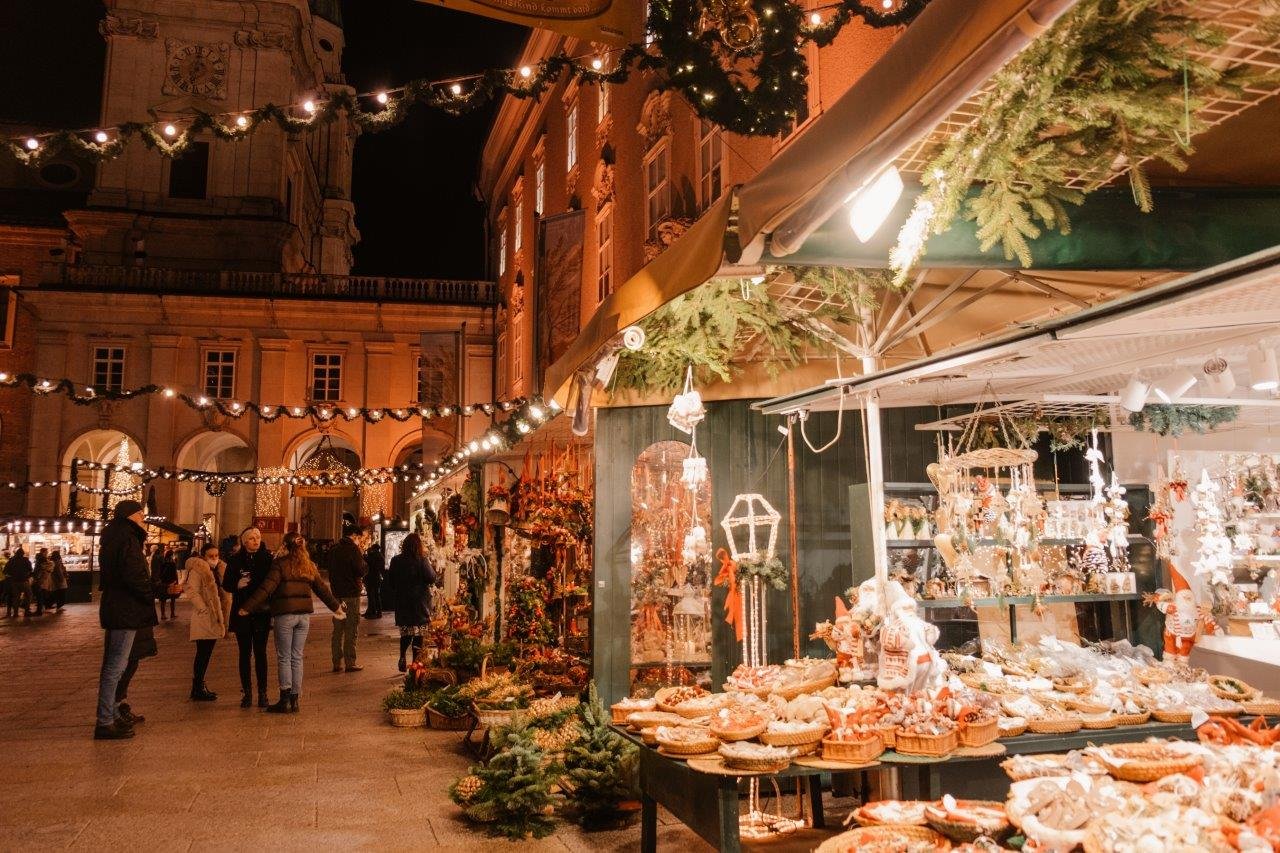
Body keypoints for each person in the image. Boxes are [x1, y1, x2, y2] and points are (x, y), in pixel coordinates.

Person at [240, 532, 346, 713]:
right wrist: (336, 608)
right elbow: (322, 590)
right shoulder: (309, 566)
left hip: (285, 616)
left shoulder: (280, 565)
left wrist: (247, 607)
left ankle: (284, 698)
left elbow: (267, 588)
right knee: (297, 657)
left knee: (284, 657)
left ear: (286, 546)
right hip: (303, 617)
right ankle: (295, 699)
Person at [94, 500, 157, 740]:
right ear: (129, 516)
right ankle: (105, 720)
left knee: (116, 666)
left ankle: (111, 715)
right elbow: (133, 575)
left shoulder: (116, 537)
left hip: (118, 608)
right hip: (125, 610)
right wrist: (153, 591)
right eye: (140, 514)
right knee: (115, 667)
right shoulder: (127, 539)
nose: (143, 517)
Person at [222, 527, 274, 708]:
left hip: (261, 612)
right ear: (244, 542)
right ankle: (247, 693)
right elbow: (226, 584)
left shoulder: (267, 559)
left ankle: (263, 693)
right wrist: (237, 583)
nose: (256, 541)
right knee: (244, 654)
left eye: (258, 537)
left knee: (261, 653)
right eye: (251, 538)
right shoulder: (235, 560)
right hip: (242, 612)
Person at [386, 533, 437, 672]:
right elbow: (431, 577)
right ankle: (415, 663)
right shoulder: (422, 560)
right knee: (419, 634)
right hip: (419, 603)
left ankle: (402, 656)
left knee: (406, 632)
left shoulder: (396, 560)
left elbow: (391, 581)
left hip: (402, 602)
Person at [184, 544, 226, 701]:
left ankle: (199, 686)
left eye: (216, 555)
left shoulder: (216, 570)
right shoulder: (198, 570)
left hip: (213, 616)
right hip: (204, 617)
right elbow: (190, 589)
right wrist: (203, 608)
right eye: (211, 556)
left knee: (205, 653)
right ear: (203, 556)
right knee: (203, 653)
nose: (215, 558)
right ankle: (198, 687)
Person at [325, 525, 368, 672]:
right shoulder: (353, 550)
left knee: (337, 630)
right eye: (359, 538)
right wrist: (364, 564)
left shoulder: (334, 550)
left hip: (337, 596)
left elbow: (329, 571)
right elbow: (360, 570)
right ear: (355, 536)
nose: (359, 541)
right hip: (351, 595)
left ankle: (336, 662)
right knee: (351, 629)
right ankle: (350, 662)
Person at [154, 546, 180, 620]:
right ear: (172, 555)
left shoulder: (163, 563)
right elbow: (174, 574)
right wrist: (176, 582)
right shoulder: (172, 564)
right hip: (172, 582)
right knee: (172, 599)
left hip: (164, 583)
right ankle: (172, 614)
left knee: (163, 600)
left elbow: (160, 573)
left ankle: (163, 615)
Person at [5, 547, 32, 618]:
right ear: (23, 554)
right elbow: (30, 569)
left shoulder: (11, 561)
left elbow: (5, 571)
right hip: (24, 581)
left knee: (16, 597)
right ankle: (26, 611)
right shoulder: (25, 560)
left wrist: (12, 575)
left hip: (14, 582)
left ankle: (15, 613)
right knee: (28, 595)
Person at [362, 542, 385, 619]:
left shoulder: (372, 556)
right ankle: (377, 612)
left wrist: (366, 554)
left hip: (371, 578)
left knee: (371, 595)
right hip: (377, 578)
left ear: (374, 549)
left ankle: (372, 612)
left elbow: (368, 562)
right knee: (376, 595)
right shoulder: (381, 556)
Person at [32, 548, 52, 615]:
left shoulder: (39, 558)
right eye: (46, 551)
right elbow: (42, 569)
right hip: (40, 579)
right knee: (40, 594)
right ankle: (40, 610)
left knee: (40, 594)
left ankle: (40, 609)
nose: (47, 553)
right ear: (43, 552)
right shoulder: (42, 559)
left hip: (38, 578)